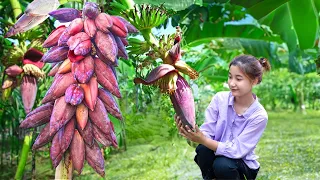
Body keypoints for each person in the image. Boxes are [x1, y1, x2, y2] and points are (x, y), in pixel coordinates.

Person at [175, 55, 271, 180]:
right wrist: (190, 132)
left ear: (254, 81)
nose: (232, 83)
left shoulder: (259, 115)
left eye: (238, 79)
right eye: (230, 77)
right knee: (203, 150)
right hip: (218, 156)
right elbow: (207, 132)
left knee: (222, 165)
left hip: (242, 165)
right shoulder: (220, 99)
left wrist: (203, 140)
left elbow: (237, 150)